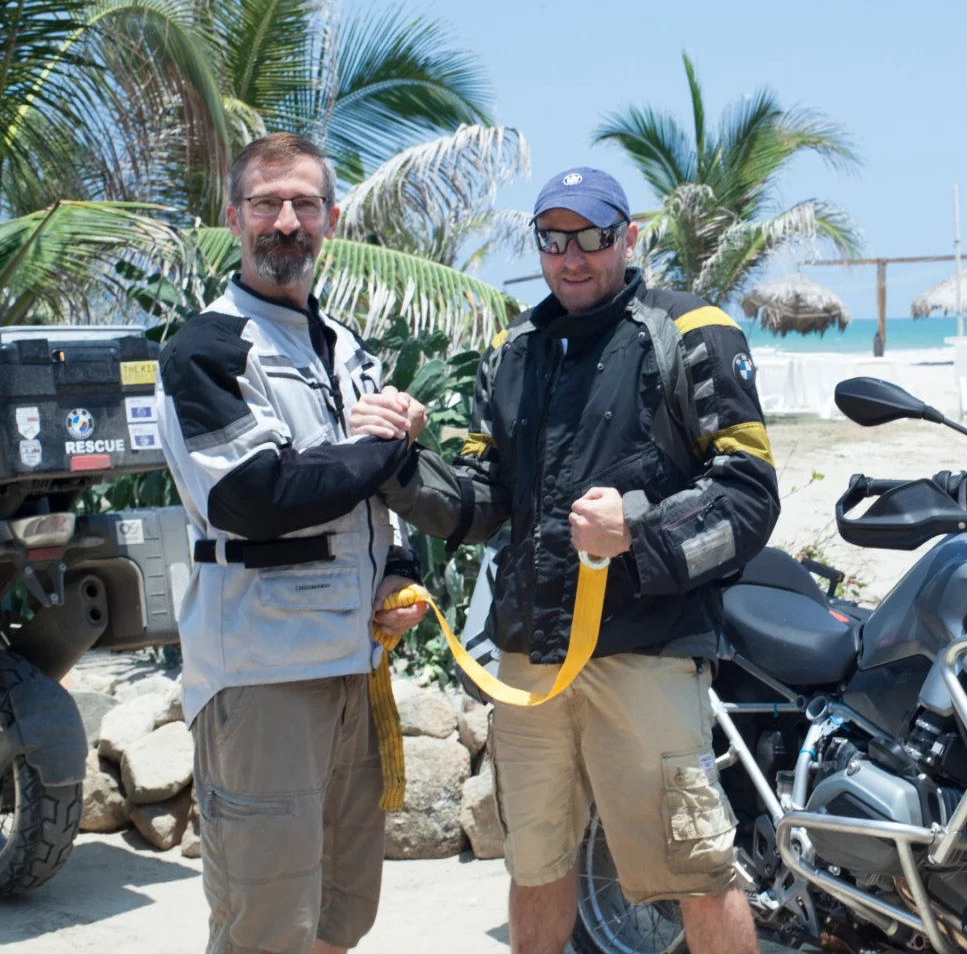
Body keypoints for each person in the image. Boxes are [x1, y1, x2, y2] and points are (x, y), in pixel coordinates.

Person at [350, 166, 781, 954]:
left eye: (591, 237)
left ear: (628, 237)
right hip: (530, 663)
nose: (572, 257)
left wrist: (639, 534)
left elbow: (750, 499)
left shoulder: (691, 330)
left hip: (645, 657)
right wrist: (399, 464)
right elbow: (481, 504)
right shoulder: (513, 349)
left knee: (696, 869)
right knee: (534, 862)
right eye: (555, 240)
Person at [154, 132, 429, 954]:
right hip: (262, 676)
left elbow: (374, 491)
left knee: (342, 914)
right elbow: (254, 496)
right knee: (265, 926)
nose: (286, 220)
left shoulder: (347, 347)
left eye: (304, 203)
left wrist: (401, 571)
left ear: (330, 220)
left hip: (352, 665)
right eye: (267, 203)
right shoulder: (206, 348)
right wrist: (392, 444)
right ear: (232, 216)